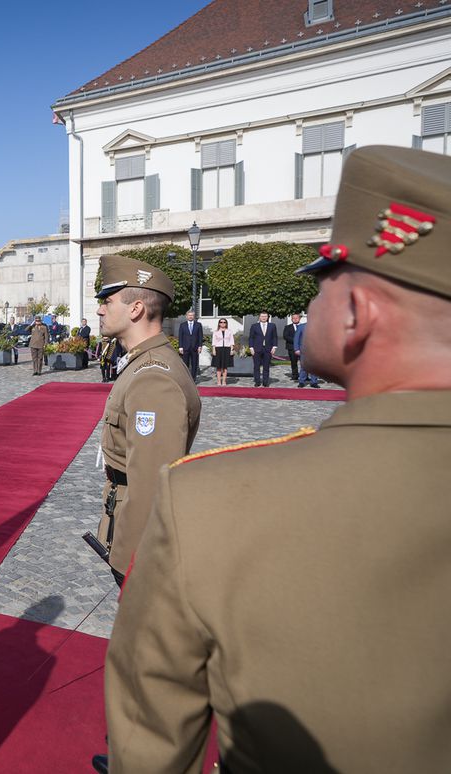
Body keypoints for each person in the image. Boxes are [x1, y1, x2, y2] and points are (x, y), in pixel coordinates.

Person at [103, 144, 451, 772]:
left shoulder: (214, 503)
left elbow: (152, 742)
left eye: (322, 285)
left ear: (356, 313)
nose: (308, 306)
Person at [93, 255, 201, 586]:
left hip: (138, 543)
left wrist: (130, 564)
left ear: (136, 309)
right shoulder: (143, 364)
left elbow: (151, 484)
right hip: (121, 515)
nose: (99, 310)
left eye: (107, 301)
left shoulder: (153, 376)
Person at [247, 310, 277, 387]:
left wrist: (274, 347)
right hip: (257, 349)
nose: (264, 318)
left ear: (268, 317)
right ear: (259, 317)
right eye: (262, 316)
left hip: (268, 349)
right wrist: (251, 348)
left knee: (266, 366)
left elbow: (274, 337)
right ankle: (257, 381)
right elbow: (251, 338)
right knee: (256, 366)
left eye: (265, 316)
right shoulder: (254, 326)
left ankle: (265, 382)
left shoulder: (272, 326)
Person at [177, 309, 203, 382]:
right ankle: (186, 379)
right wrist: (180, 347)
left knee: (194, 364)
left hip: (195, 347)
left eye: (192, 315)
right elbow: (180, 336)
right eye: (189, 315)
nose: (191, 317)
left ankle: (193, 379)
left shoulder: (198, 325)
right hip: (185, 348)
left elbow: (200, 336)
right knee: (185, 364)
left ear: (194, 316)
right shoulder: (182, 325)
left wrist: (200, 346)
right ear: (186, 316)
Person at [295, 319, 320, 387]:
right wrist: (296, 349)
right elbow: (296, 338)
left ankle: (314, 382)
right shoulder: (301, 326)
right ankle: (302, 382)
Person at [210, 317, 234, 386]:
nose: (222, 323)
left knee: (225, 366)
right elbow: (214, 341)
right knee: (218, 366)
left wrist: (232, 350)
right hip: (218, 349)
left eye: (224, 322)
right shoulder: (216, 332)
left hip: (227, 349)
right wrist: (214, 350)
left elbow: (231, 341)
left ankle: (224, 381)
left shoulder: (229, 331)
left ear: (226, 323)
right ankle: (218, 381)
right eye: (221, 322)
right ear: (219, 323)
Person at [283, 312, 302, 381]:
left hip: (302, 347)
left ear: (299, 318)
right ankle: (295, 375)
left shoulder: (303, 326)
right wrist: (296, 340)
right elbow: (285, 336)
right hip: (291, 347)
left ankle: (305, 376)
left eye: (296, 318)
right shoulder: (287, 327)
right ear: (291, 319)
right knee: (293, 362)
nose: (295, 319)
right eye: (293, 318)